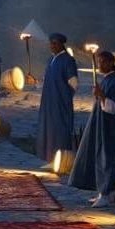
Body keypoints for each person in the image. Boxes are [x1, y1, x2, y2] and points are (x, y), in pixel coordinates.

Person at [69, 49, 115, 206]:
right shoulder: (108, 79)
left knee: (107, 159)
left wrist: (100, 95)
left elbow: (113, 108)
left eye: (102, 62)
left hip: (110, 128)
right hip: (102, 126)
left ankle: (106, 193)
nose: (100, 65)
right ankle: (105, 191)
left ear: (110, 63)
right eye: (98, 61)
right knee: (100, 156)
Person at [35, 33, 79, 166]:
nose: (52, 46)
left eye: (55, 43)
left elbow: (74, 83)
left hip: (60, 102)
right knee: (49, 129)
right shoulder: (51, 60)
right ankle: (49, 158)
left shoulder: (68, 60)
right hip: (48, 101)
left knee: (59, 129)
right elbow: (47, 80)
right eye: (51, 43)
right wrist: (36, 82)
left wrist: (64, 94)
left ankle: (61, 160)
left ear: (61, 44)